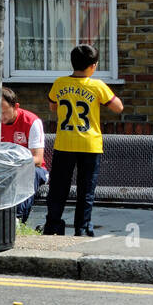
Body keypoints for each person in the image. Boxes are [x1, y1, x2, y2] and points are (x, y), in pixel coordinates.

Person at [42, 43, 124, 237]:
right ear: (93, 66)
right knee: (86, 189)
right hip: (90, 144)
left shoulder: (60, 83)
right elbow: (118, 107)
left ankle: (53, 225)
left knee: (58, 187)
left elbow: (53, 107)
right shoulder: (97, 86)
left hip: (65, 143)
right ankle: (82, 227)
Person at [0, 86, 47, 223]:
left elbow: (38, 159)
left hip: (29, 169)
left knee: (25, 177)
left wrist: (12, 165)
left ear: (16, 107)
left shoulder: (32, 121)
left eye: (4, 112)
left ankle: (17, 220)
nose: (0, 117)